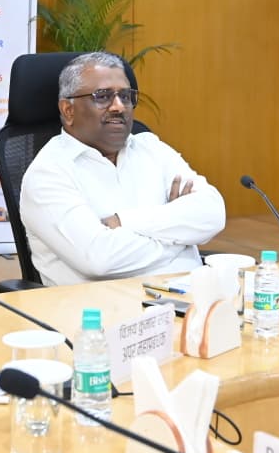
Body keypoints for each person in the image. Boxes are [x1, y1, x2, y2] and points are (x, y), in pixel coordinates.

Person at [20, 52, 226, 285]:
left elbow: (213, 213)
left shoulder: (150, 147)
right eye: (103, 96)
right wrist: (182, 239)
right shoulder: (48, 173)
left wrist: (123, 222)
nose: (119, 106)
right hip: (105, 305)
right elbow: (100, 259)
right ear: (68, 110)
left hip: (191, 295)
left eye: (125, 96)